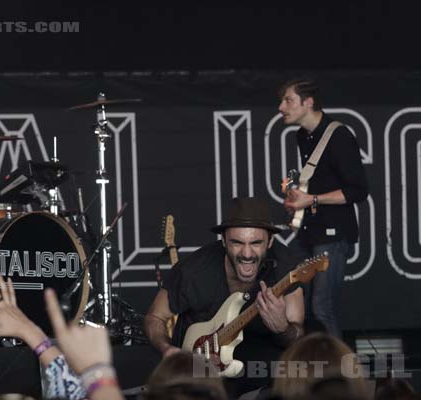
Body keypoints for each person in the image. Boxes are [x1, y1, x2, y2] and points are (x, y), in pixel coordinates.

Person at [144, 197, 305, 398]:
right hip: (202, 372)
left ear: (270, 241)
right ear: (223, 240)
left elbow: (298, 338)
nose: (247, 253)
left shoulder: (286, 269)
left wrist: (283, 328)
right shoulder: (193, 271)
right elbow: (154, 318)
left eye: (256, 243)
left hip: (262, 371)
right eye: (237, 242)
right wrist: (167, 349)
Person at [278, 78, 369, 338]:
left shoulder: (338, 135)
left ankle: (341, 374)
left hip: (333, 234)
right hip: (309, 231)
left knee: (322, 307)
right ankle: (307, 367)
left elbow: (358, 190)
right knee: (292, 297)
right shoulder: (302, 136)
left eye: (288, 100)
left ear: (308, 102)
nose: (281, 107)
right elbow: (318, 182)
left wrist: (313, 200)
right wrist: (298, 201)